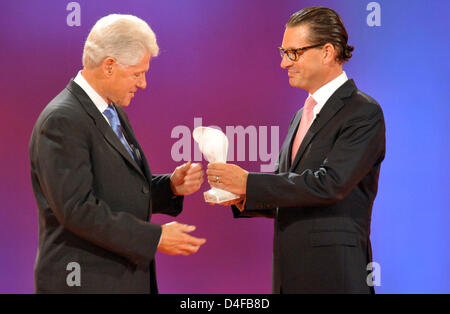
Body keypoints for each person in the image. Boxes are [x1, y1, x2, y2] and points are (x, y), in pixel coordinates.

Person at [207, 7, 385, 293]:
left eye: (293, 53)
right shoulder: (300, 115)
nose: (283, 63)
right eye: (283, 52)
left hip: (335, 277)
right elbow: (286, 187)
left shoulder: (363, 112)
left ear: (327, 52)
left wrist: (249, 182)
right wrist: (242, 194)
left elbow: (330, 184)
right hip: (290, 277)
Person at [29, 14, 206, 294]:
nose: (143, 83)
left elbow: (113, 191)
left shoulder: (111, 112)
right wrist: (155, 237)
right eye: (137, 73)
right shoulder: (63, 120)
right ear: (109, 66)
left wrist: (169, 186)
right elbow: (77, 210)